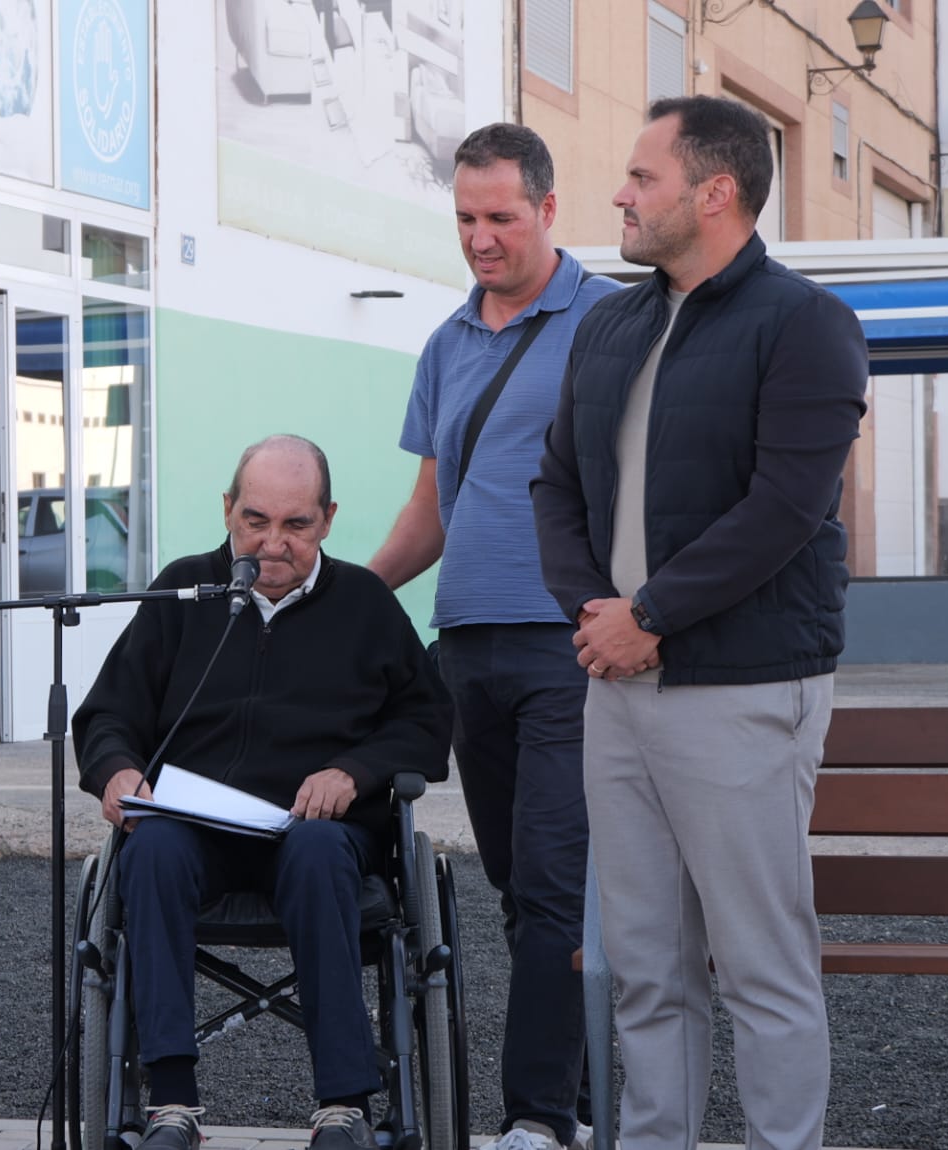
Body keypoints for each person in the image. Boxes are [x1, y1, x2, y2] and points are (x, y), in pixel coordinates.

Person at [530, 97, 867, 1150]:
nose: (620, 195)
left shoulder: (804, 323)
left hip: (740, 685)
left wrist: (650, 615)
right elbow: (553, 485)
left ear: (712, 192)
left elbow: (783, 508)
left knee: (760, 966)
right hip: (616, 684)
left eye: (640, 177)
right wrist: (596, 616)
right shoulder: (609, 321)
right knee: (642, 965)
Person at [75, 435, 453, 1150]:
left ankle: (343, 1107)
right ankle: (172, 1106)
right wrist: (117, 768)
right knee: (149, 848)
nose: (272, 543)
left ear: (329, 518)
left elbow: (427, 722)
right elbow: (108, 713)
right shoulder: (184, 591)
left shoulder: (366, 604)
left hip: (319, 835)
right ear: (227, 509)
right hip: (196, 830)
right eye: (255, 520)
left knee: (314, 851)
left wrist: (355, 772)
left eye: (296, 524)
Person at [367, 123, 618, 1150]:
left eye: (499, 217)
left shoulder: (612, 321)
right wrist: (343, 591)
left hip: (567, 647)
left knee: (557, 881)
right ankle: (588, 1081)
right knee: (518, 889)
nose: (478, 237)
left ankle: (534, 1117)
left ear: (547, 209)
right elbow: (431, 512)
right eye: (464, 217)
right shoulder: (444, 342)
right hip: (465, 647)